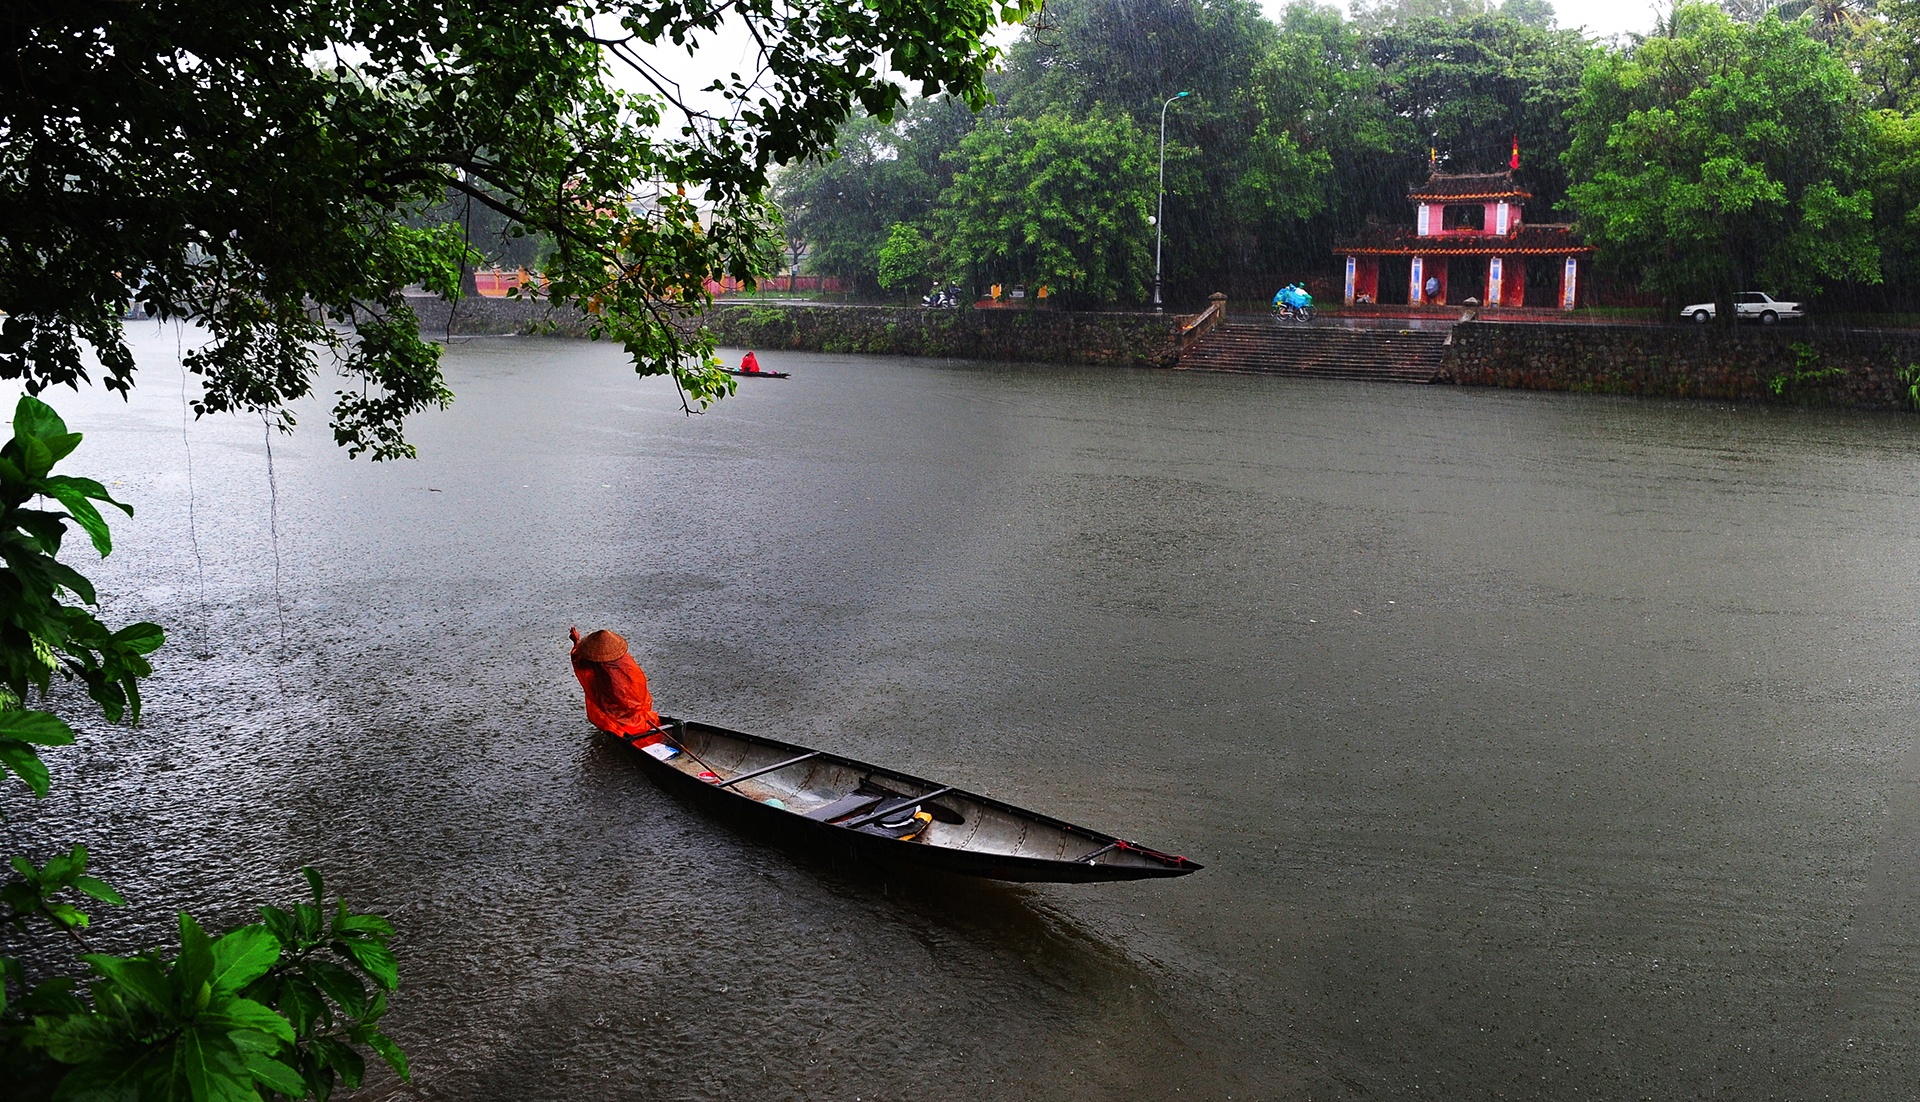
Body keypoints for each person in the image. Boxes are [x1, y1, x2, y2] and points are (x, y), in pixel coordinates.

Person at [569, 627, 662, 737]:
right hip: (629, 700)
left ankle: (622, 728)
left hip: (614, 699)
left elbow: (578, 662)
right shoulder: (625, 662)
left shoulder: (594, 665)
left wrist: (576, 642)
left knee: (611, 709)